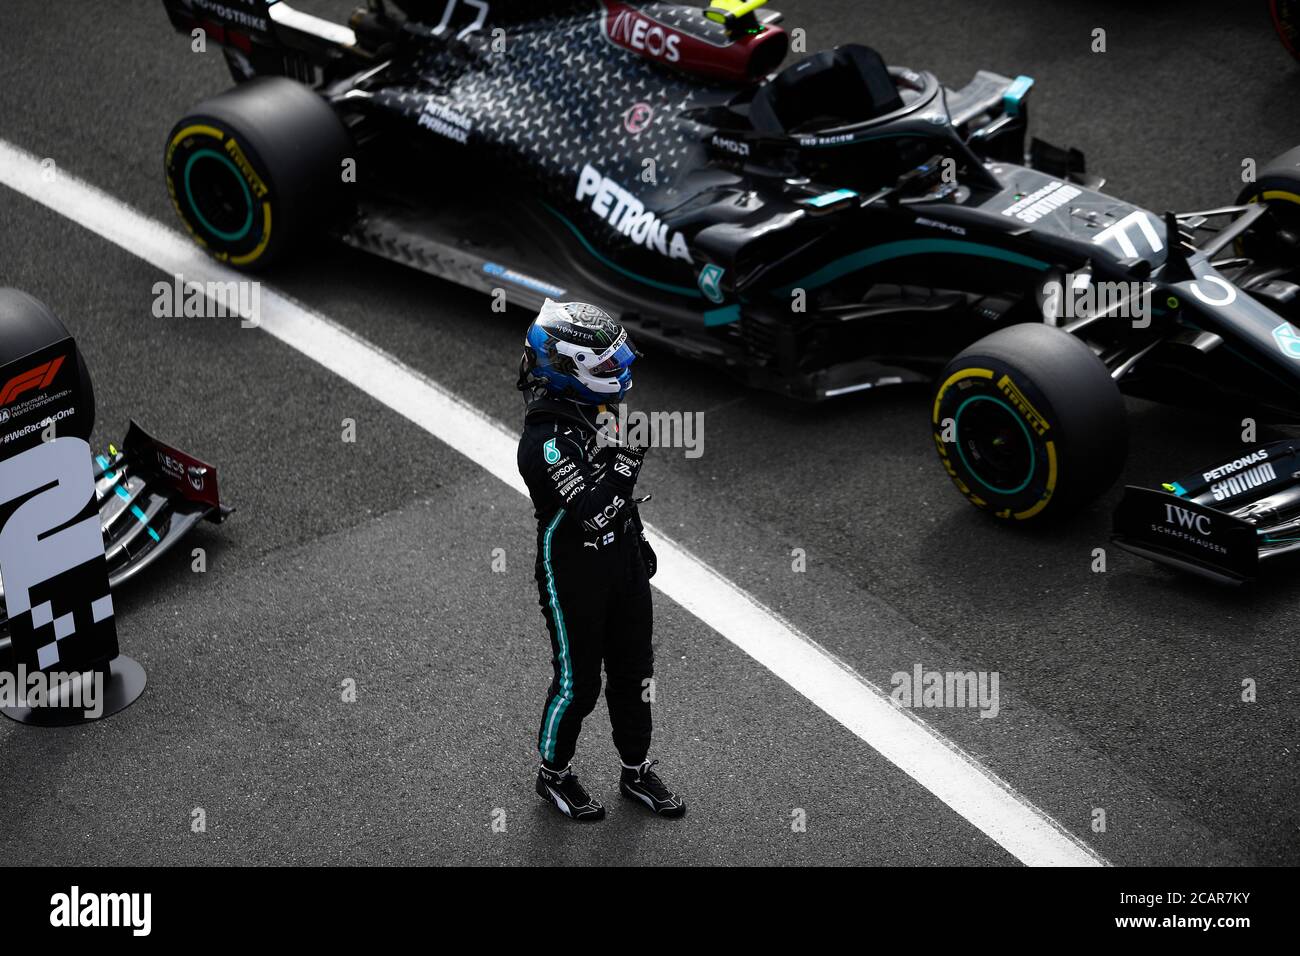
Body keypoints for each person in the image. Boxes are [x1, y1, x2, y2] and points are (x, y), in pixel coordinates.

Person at [516, 299, 685, 821]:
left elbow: (616, 508)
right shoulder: (543, 443)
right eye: (609, 365)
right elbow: (591, 513)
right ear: (570, 370)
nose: (622, 370)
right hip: (573, 577)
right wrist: (627, 460)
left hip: (622, 564)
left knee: (635, 674)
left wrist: (639, 542)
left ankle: (635, 770)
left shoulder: (599, 409)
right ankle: (554, 775)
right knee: (579, 683)